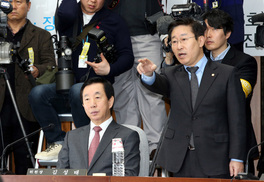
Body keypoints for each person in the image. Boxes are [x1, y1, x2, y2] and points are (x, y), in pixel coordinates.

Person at [137, 17, 247, 178]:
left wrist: (237, 157)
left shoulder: (226, 74)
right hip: (180, 159)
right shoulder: (171, 74)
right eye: (174, 41)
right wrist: (148, 74)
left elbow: (237, 120)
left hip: (216, 158)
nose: (179, 46)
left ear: (201, 40)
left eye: (184, 39)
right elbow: (158, 84)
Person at [29, 0, 133, 161]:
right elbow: (66, 11)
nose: (93, 1)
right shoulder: (68, 17)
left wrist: (110, 70)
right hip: (66, 85)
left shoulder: (114, 20)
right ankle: (58, 142)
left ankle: (86, 144)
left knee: (80, 91)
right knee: (37, 93)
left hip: (95, 89)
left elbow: (128, 56)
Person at [104, 0, 168, 157]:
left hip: (146, 33)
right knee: (122, 95)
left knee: (151, 93)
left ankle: (156, 146)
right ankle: (128, 146)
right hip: (115, 36)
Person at [0, 0, 56, 174]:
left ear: (29, 5)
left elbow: (51, 66)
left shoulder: (41, 35)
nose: (13, 6)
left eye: (18, 1)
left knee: (26, 165)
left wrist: (37, 70)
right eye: (9, 1)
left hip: (27, 108)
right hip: (1, 106)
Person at [202, 9, 258, 174]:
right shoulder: (198, 61)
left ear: (228, 34)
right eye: (205, 29)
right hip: (204, 143)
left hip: (234, 145)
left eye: (215, 28)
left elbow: (238, 96)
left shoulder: (244, 62)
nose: (208, 35)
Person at [57, 77, 140, 176]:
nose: (92, 104)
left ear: (110, 101)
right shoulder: (71, 137)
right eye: (87, 99)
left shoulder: (127, 136)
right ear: (83, 105)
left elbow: (128, 176)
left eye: (97, 97)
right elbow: (61, 175)